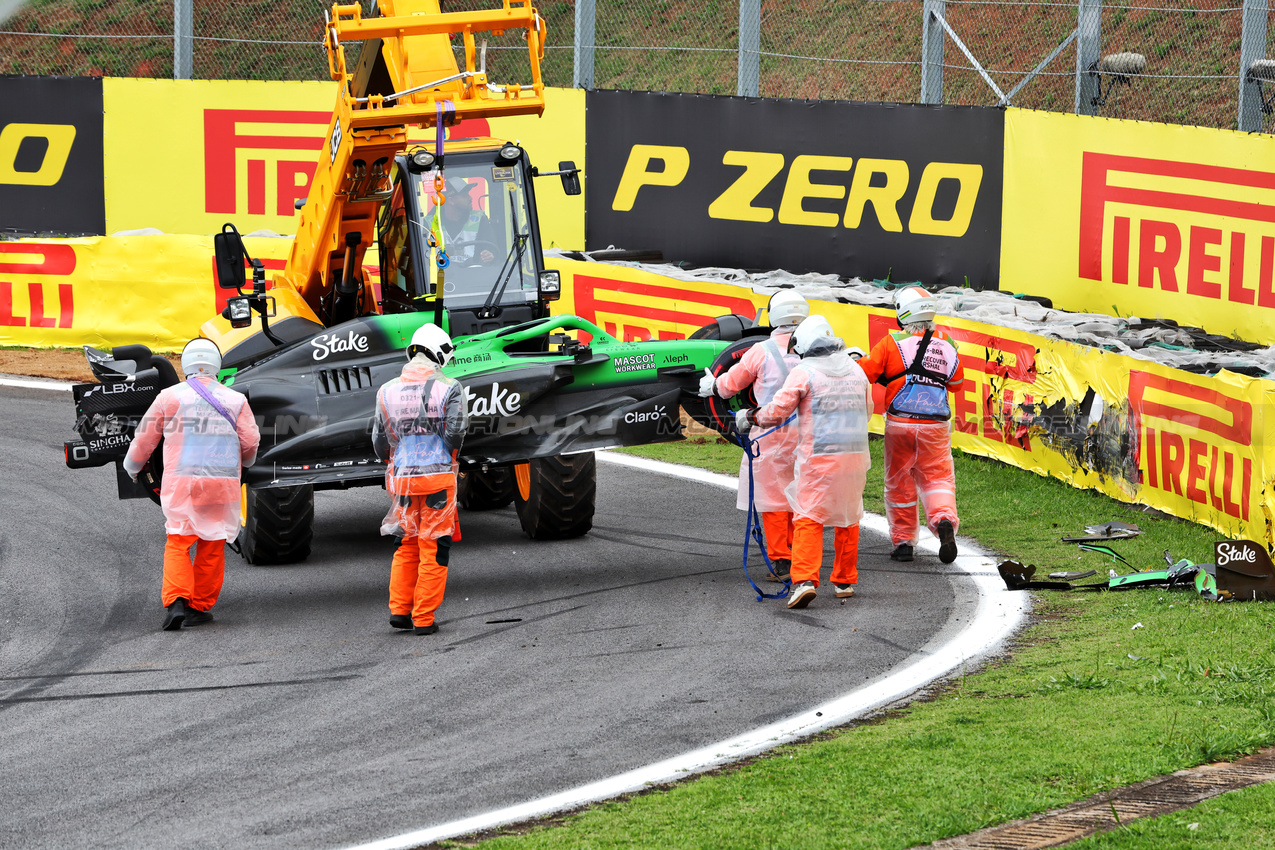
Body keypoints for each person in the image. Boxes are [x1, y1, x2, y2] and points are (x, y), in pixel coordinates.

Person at [123, 339, 260, 631]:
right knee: (212, 542)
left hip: (182, 483)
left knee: (179, 540)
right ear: (216, 365)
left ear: (185, 365)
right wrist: (245, 464)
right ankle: (198, 606)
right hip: (221, 484)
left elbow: (145, 438)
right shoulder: (235, 400)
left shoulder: (168, 397)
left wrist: (132, 467)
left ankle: (176, 602)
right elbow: (250, 442)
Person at [737, 315, 872, 610]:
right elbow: (868, 410)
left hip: (820, 459)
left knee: (808, 517)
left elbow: (777, 411)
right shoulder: (855, 370)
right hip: (855, 457)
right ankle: (845, 581)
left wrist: (750, 417)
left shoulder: (806, 372)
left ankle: (805, 581)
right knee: (849, 517)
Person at [699, 290, 808, 581]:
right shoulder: (816, 345)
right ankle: (803, 555)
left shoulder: (761, 351)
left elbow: (728, 387)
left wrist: (713, 384)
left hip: (769, 430)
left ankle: (782, 561)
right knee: (802, 494)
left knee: (772, 498)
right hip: (809, 432)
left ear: (774, 316)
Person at [372, 323, 468, 635]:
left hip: (402, 480)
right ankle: (424, 618)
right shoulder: (449, 387)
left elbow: (379, 440)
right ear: (440, 353)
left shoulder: (386, 391)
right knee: (434, 547)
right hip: (437, 478)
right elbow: (456, 432)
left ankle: (400, 611)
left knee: (407, 543)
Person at [857, 286, 964, 565]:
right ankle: (943, 520)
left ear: (902, 313)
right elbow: (956, 384)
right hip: (936, 426)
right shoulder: (949, 345)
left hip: (899, 423)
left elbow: (865, 373)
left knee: (899, 481)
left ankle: (904, 542)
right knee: (938, 478)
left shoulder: (892, 342)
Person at [437, 177, 499, 265]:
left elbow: (492, 250)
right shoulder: (430, 223)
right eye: (464, 195)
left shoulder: (480, 219)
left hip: (474, 275)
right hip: (441, 277)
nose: (470, 198)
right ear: (451, 201)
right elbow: (424, 259)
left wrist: (490, 255)